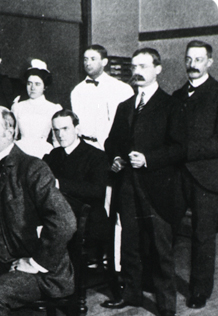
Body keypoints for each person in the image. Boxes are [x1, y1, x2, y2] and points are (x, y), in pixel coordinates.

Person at [0, 106, 76, 316]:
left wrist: (35, 262)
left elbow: (65, 221)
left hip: (44, 271)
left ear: (10, 131)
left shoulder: (32, 168)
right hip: (6, 259)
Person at [103, 48, 185, 316]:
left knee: (162, 250)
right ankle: (132, 294)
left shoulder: (171, 105)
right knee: (130, 243)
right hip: (127, 184)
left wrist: (148, 158)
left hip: (158, 187)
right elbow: (111, 142)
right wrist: (115, 157)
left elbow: (179, 147)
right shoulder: (125, 105)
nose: (137, 71)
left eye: (143, 66)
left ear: (158, 69)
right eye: (134, 66)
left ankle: (165, 306)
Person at [172, 40, 218, 309]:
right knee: (166, 230)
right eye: (189, 59)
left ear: (209, 62)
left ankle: (199, 290)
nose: (193, 65)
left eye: (199, 60)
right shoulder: (177, 96)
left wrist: (185, 150)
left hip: (207, 177)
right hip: (176, 176)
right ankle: (160, 280)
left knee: (202, 235)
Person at [43, 109, 110, 259]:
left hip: (88, 221)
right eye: (56, 130)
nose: (60, 135)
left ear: (77, 129)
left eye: (65, 129)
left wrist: (59, 184)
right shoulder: (53, 156)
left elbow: (97, 191)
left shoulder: (97, 156)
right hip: (57, 217)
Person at [70, 44, 134, 150]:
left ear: (104, 62)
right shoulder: (77, 91)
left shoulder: (122, 89)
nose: (88, 63)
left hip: (112, 148)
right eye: (85, 59)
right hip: (85, 147)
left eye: (93, 59)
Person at [11, 59, 62, 158]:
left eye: (37, 84)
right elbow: (13, 136)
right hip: (20, 151)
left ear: (45, 87)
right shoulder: (18, 106)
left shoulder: (53, 108)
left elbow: (57, 141)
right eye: (29, 83)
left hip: (43, 152)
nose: (32, 88)